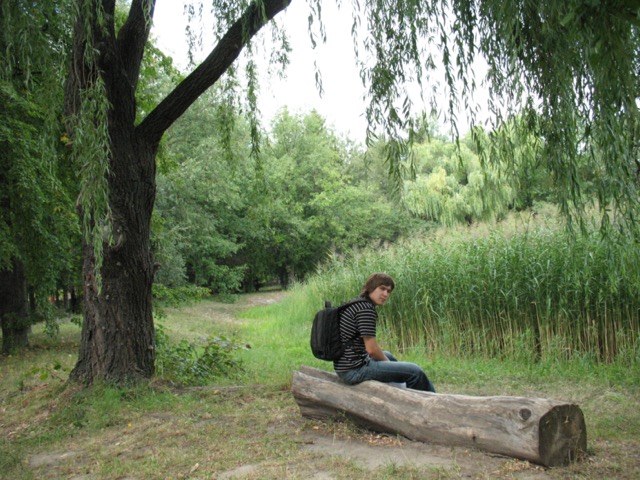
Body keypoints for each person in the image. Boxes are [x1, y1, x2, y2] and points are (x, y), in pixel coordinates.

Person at [334, 272, 436, 392]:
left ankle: (402, 389)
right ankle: (432, 400)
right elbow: (371, 350)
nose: (385, 294)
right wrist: (388, 364)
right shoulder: (366, 309)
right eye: (382, 289)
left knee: (387, 354)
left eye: (388, 291)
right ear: (371, 288)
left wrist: (390, 365)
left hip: (345, 366)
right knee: (415, 372)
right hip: (354, 370)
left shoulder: (357, 303)